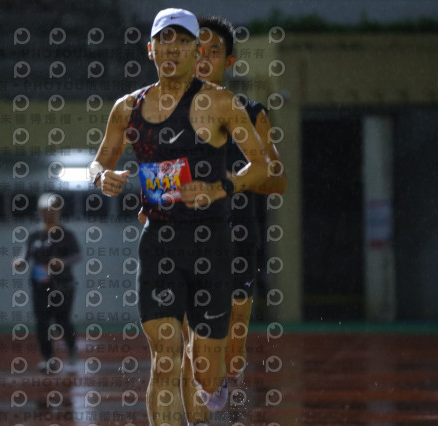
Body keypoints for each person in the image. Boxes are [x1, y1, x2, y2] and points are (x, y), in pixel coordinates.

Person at [87, 8, 277, 425]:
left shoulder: (221, 103)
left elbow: (263, 166)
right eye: (164, 40)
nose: (172, 48)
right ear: (150, 49)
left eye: (183, 41)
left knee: (205, 370)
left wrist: (220, 188)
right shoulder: (127, 108)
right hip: (160, 244)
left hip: (213, 246)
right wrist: (102, 177)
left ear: (196, 51)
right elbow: (99, 162)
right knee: (165, 361)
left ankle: (212, 385)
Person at [178, 15, 288, 424]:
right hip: (186, 238)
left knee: (233, 347)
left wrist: (233, 181)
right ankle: (199, 418)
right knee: (193, 340)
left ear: (230, 61)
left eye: (214, 52)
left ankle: (226, 389)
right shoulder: (165, 114)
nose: (204, 59)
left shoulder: (252, 113)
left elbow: (278, 181)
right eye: (197, 51)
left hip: (238, 238)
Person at [16, 193, 81, 373]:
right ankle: (48, 359)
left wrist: (62, 262)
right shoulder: (34, 235)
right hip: (40, 286)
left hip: (63, 285)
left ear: (58, 211)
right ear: (40, 212)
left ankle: (72, 353)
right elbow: (24, 254)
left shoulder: (66, 234)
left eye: (53, 210)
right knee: (42, 322)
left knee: (62, 320)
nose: (49, 213)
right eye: (45, 210)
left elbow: (77, 255)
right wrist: (20, 261)